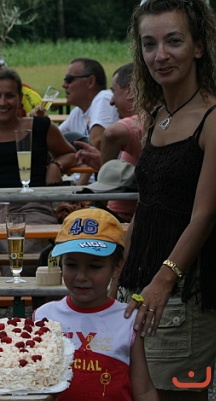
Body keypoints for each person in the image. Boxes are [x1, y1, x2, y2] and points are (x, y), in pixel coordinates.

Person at [117, 1, 216, 400]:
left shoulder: (212, 118)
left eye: (173, 41)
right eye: (149, 44)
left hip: (182, 291)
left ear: (198, 46)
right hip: (140, 286)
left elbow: (205, 214)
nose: (160, 55)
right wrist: (118, 274)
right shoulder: (157, 115)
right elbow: (147, 205)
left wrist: (164, 279)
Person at [0, 69, 76, 277]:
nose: (3, 102)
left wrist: (56, 165)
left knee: (23, 253)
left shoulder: (40, 127)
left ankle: (18, 293)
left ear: (19, 98)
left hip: (31, 204)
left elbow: (70, 153)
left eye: (9, 96)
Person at [33, 208, 158, 401]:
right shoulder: (44, 317)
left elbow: (144, 390)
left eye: (94, 266)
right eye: (71, 265)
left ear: (117, 267)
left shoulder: (128, 319)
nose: (81, 276)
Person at [75, 63, 142, 222]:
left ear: (131, 91)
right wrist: (104, 165)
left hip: (121, 221)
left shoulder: (143, 123)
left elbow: (111, 134)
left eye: (114, 92)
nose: (111, 101)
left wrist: (104, 172)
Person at [54, 58, 119, 185]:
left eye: (69, 80)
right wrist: (42, 124)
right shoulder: (78, 112)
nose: (64, 85)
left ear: (90, 81)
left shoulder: (103, 98)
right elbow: (55, 143)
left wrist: (79, 191)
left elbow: (96, 142)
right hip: (83, 185)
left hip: (98, 186)